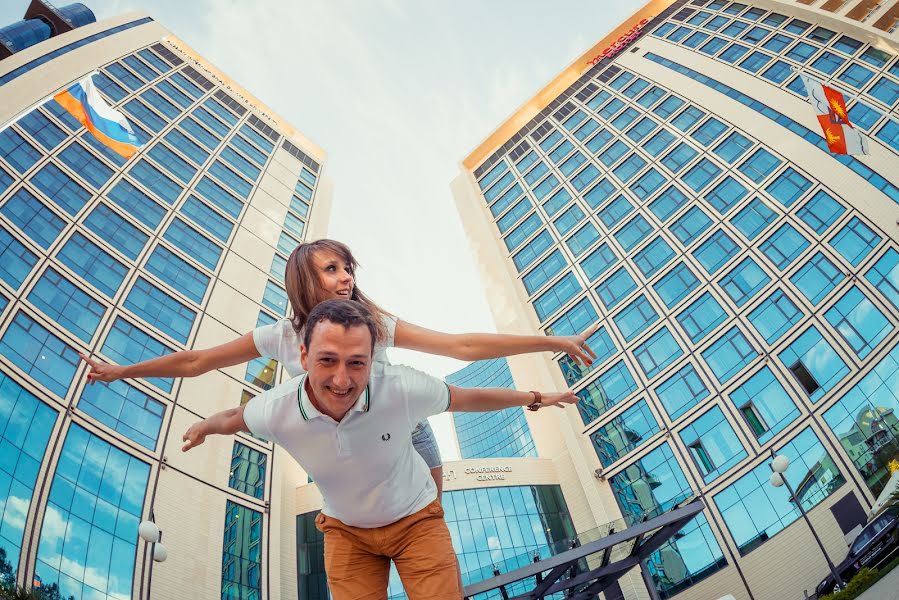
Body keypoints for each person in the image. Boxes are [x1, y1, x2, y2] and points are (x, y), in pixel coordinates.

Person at [79, 239, 597, 496]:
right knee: (357, 535)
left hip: (410, 438)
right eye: (332, 269)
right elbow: (196, 361)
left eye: (348, 268)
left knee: (425, 525)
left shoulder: (376, 322)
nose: (345, 277)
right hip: (336, 448)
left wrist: (548, 340)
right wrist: (121, 371)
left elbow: (459, 346)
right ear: (306, 279)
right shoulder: (278, 336)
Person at [181, 299, 577, 600]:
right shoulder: (276, 409)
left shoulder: (400, 387)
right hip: (346, 533)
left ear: (373, 361)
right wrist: (202, 427)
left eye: (357, 363)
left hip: (416, 523)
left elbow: (471, 397)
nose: (341, 379)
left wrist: (537, 395)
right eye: (327, 361)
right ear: (303, 357)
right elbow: (232, 417)